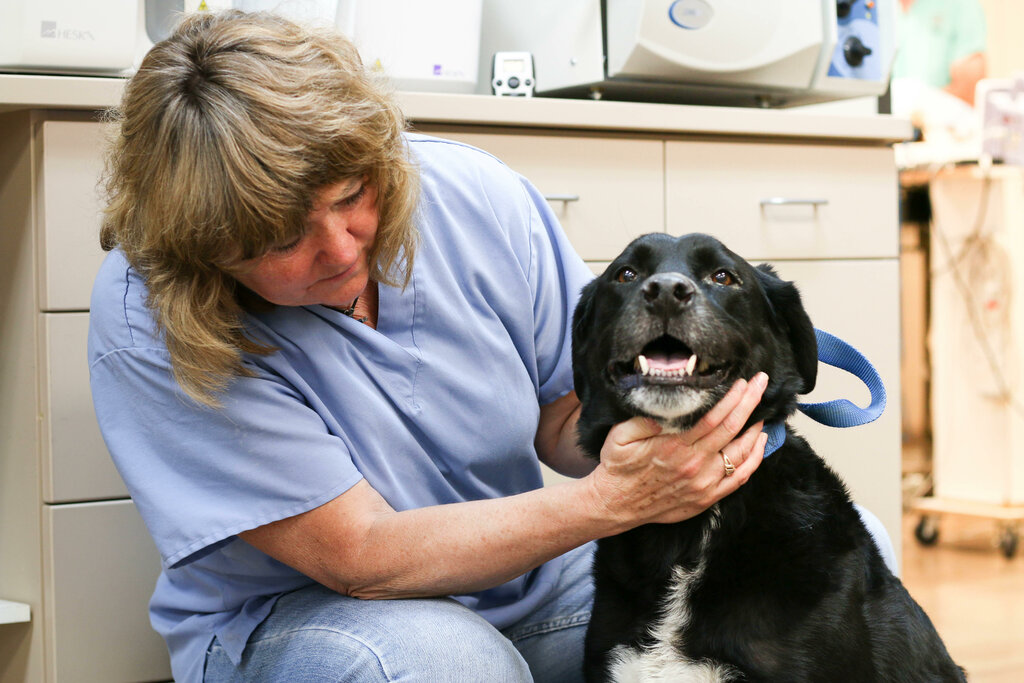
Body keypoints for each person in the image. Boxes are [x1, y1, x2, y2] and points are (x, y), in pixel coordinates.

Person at [90, 10, 873, 683]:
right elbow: (361, 556)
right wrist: (614, 499)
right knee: (451, 662)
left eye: (351, 198)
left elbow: (571, 418)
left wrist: (688, 428)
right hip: (317, 620)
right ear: (203, 248)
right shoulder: (151, 309)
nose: (336, 249)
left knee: (843, 559)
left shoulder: (470, 194)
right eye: (280, 239)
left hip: (531, 583)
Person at [893, 0, 987, 110]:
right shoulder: (876, 6)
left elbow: (970, 89)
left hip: (940, 122)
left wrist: (920, 106)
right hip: (883, 121)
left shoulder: (960, 5)